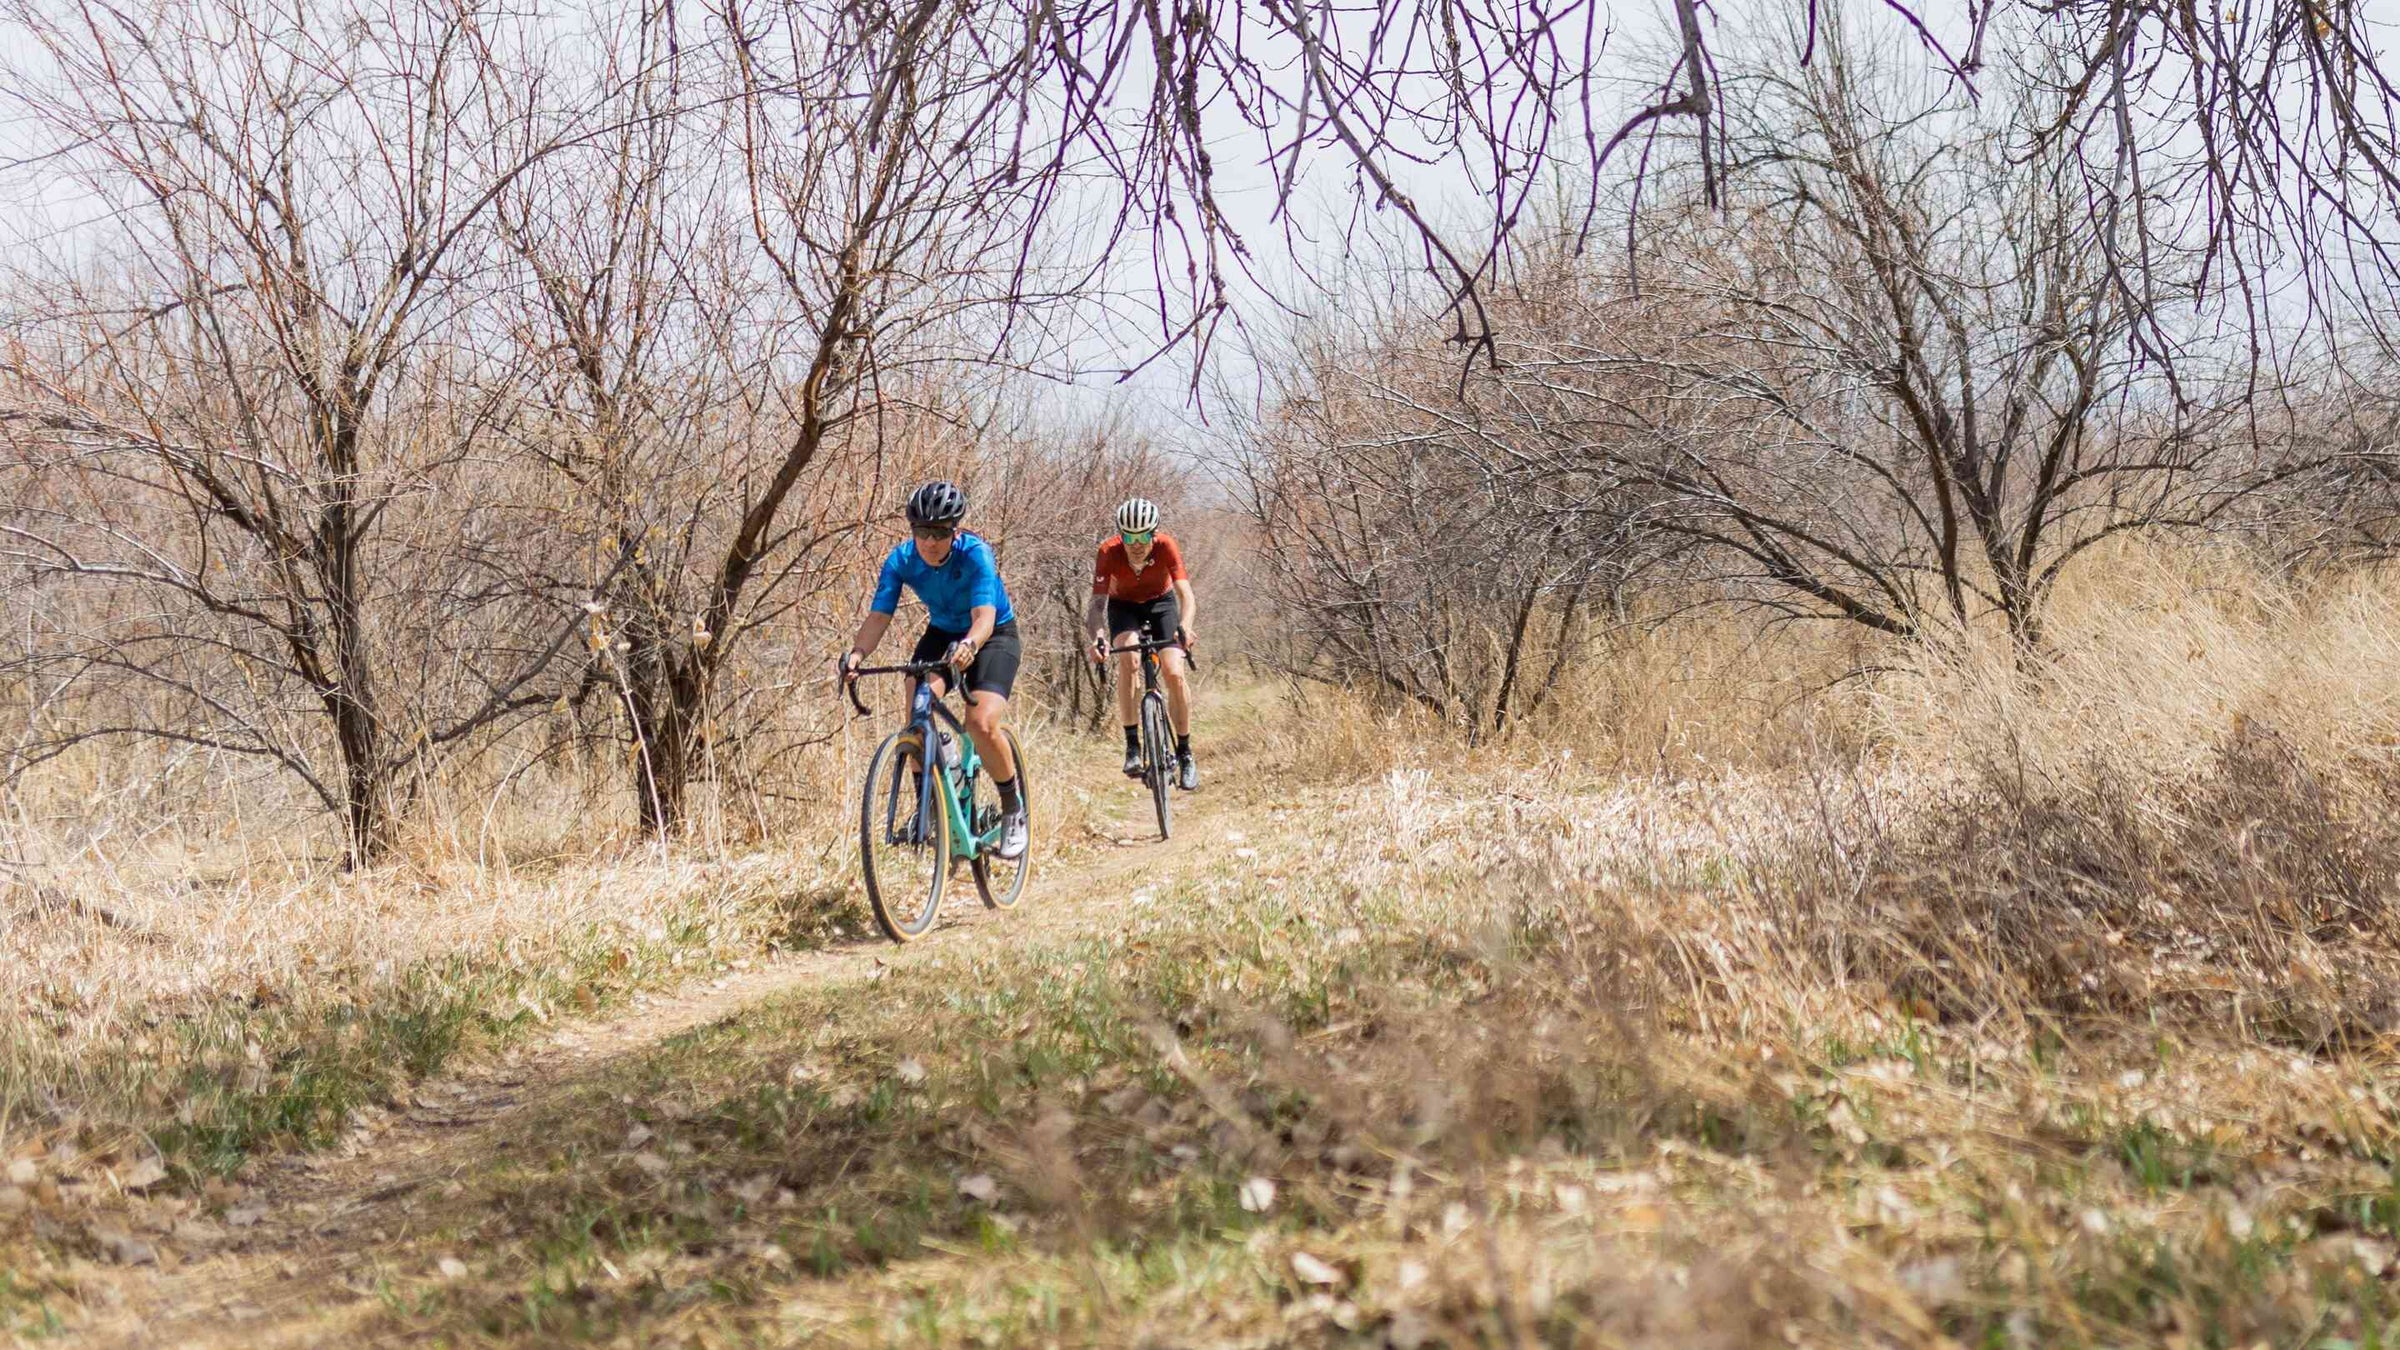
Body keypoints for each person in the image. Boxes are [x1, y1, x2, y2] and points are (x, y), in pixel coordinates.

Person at [839, 480, 1027, 859]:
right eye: (922, 531)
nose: (930, 541)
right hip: (943, 631)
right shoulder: (901, 560)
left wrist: (971, 645)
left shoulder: (976, 554)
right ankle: (926, 805)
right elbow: (879, 615)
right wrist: (857, 653)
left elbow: (984, 617)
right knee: (916, 706)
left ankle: (1013, 809)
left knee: (980, 722)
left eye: (939, 532)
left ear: (954, 531)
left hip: (991, 635)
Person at [1085, 497, 1198, 790]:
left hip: (1162, 603)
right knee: (1129, 659)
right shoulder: (1108, 552)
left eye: (1144, 535)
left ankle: (1185, 753)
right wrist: (1098, 637)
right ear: (1120, 535)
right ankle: (1133, 745)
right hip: (1123, 607)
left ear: (1154, 533)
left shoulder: (1166, 546)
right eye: (1129, 537)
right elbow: (1097, 606)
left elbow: (1186, 595)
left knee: (1174, 671)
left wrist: (1185, 626)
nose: (1136, 543)